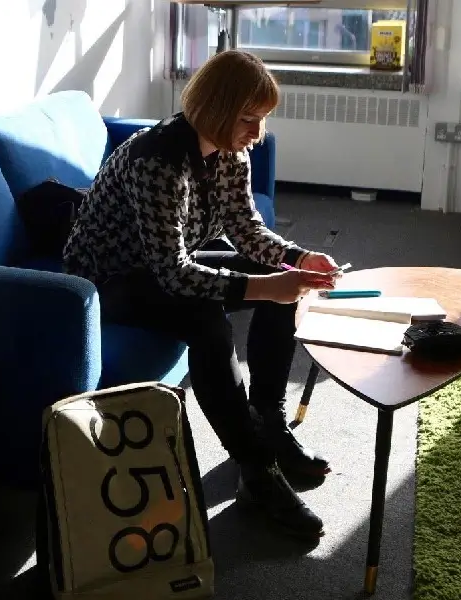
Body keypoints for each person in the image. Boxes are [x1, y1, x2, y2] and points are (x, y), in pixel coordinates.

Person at [62, 50, 341, 539]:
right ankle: (257, 470)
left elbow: (246, 228)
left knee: (277, 273)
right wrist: (267, 287)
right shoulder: (157, 162)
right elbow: (172, 274)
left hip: (164, 264)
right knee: (208, 318)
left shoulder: (231, 153)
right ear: (216, 109)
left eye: (262, 119)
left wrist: (297, 258)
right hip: (111, 280)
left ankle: (268, 420)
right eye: (248, 119)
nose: (258, 133)